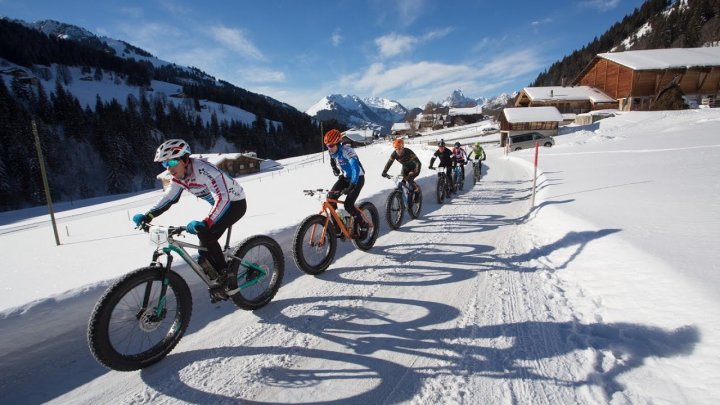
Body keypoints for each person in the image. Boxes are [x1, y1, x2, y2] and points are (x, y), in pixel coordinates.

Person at [132, 139, 247, 298]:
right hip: (219, 205)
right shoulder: (178, 177)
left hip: (234, 204)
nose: (169, 168)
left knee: (206, 233)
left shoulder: (204, 170)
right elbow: (169, 198)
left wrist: (206, 222)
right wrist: (148, 215)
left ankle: (226, 275)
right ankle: (217, 275)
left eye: (172, 161)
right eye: (164, 164)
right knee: (204, 250)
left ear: (185, 159)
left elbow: (223, 197)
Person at [324, 129, 369, 238]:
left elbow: (355, 168)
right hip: (344, 178)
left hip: (357, 178)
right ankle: (338, 227)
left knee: (348, 205)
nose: (328, 148)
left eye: (330, 146)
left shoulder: (347, 150)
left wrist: (352, 185)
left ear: (337, 143)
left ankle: (364, 225)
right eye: (327, 146)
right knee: (330, 199)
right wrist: (334, 168)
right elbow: (332, 159)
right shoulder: (332, 151)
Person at [381, 138, 422, 206]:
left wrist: (415, 172)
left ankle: (417, 191)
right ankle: (402, 197)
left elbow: (418, 163)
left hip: (414, 167)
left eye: (400, 148)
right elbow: (389, 163)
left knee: (409, 180)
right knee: (401, 181)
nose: (398, 150)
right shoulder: (394, 154)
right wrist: (384, 172)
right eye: (396, 149)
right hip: (405, 168)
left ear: (403, 147)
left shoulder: (408, 152)